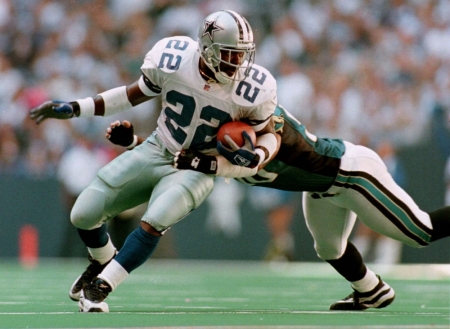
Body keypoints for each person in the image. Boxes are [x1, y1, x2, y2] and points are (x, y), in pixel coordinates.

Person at [30, 10, 279, 313]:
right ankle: (103, 258)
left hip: (196, 166)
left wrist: (257, 156)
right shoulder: (173, 59)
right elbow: (129, 96)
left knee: (155, 219)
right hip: (158, 147)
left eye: (241, 54)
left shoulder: (254, 88)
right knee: (83, 213)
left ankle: (101, 288)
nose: (237, 62)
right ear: (206, 48)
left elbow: (270, 134)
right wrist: (75, 107)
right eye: (228, 53)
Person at [107, 104, 450, 311]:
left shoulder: (276, 129)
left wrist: (217, 160)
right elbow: (176, 156)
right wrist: (134, 142)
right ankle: (371, 290)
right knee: (329, 247)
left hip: (352, 173)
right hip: (320, 190)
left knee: (419, 231)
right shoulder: (216, 145)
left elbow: (253, 157)